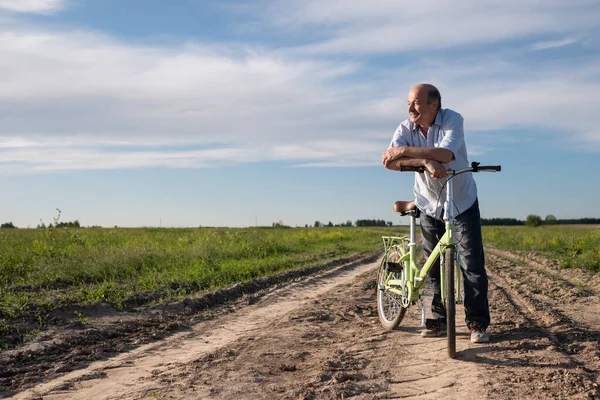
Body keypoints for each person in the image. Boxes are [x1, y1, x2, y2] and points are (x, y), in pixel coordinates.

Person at [381, 83, 490, 344]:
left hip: (460, 199)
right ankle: (435, 320)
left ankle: (476, 323)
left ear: (433, 105)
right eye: (408, 103)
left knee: (471, 263)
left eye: (416, 103)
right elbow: (388, 161)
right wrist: (425, 161)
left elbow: (445, 153)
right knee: (432, 262)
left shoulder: (453, 119)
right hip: (428, 201)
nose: (410, 108)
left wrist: (406, 151)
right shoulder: (404, 127)